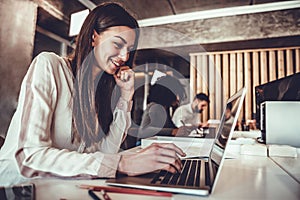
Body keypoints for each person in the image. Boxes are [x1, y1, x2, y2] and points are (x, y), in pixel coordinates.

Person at [0, 3, 185, 187]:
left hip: (60, 187)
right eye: (117, 44)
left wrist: (126, 96)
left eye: (129, 49)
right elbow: (30, 157)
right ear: (93, 37)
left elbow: (107, 151)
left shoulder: (98, 91)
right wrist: (122, 164)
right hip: (16, 188)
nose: (124, 57)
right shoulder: (49, 66)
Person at [138, 75, 195, 139]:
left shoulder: (165, 108)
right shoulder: (155, 107)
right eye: (176, 94)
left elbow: (170, 128)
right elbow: (143, 132)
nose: (178, 99)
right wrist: (172, 131)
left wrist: (181, 130)